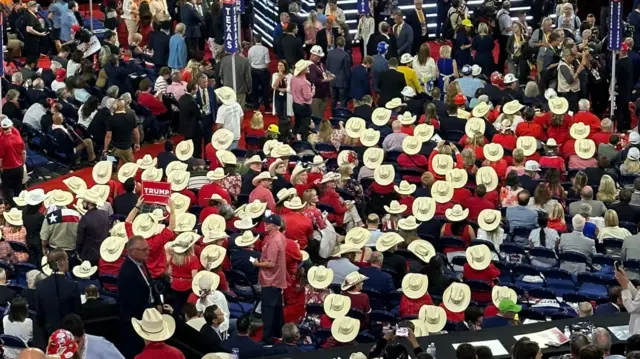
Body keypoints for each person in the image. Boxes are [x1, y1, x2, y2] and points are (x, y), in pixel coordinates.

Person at [117, 236, 164, 358]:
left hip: (149, 313)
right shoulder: (127, 272)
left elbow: (150, 284)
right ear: (132, 251)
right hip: (136, 321)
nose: (147, 252)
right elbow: (132, 302)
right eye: (143, 250)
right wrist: (151, 311)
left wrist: (158, 302)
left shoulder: (141, 264)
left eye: (147, 249)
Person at [253, 215, 287, 344]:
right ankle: (278, 332)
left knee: (268, 309)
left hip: (270, 280)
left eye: (268, 223)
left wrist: (257, 264)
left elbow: (271, 263)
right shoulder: (278, 237)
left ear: (275, 226)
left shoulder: (273, 241)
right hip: (276, 278)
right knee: (277, 308)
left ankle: (267, 338)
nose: (265, 224)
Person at [35, 250, 82, 341]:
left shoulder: (40, 285)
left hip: (49, 335)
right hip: (70, 336)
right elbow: (78, 314)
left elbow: (40, 316)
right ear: (64, 261)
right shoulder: (72, 286)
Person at [76, 188, 110, 265]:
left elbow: (80, 240)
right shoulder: (105, 214)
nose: (82, 203)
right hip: (103, 253)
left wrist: (79, 252)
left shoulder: (85, 218)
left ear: (89, 203)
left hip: (89, 255)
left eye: (84, 201)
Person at [104, 100, 140, 164]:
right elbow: (136, 132)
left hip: (114, 149)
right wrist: (137, 143)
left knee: (113, 167)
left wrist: (105, 150)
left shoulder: (110, 119)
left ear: (114, 107)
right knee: (129, 169)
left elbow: (108, 136)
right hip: (127, 148)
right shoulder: (131, 116)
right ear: (124, 107)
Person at [0, 118, 25, 208]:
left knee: (7, 189)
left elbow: (0, 159)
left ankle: (14, 207)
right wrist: (22, 163)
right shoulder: (18, 137)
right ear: (11, 126)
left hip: (7, 170)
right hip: (19, 167)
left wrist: (1, 168)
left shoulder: (2, 142)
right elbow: (23, 152)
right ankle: (21, 205)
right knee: (18, 187)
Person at [326, 36, 352, 110]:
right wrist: (349, 80)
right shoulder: (346, 55)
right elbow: (347, 70)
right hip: (342, 82)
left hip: (332, 80)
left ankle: (333, 115)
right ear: (344, 44)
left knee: (333, 100)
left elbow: (327, 67)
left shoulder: (330, 53)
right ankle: (341, 116)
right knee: (343, 101)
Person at [248, 34, 271, 111]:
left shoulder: (251, 49)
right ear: (261, 40)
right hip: (263, 70)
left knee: (255, 88)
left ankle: (255, 106)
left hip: (254, 70)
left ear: (254, 40)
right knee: (265, 89)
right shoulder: (265, 49)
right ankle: (267, 107)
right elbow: (267, 62)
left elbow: (249, 61)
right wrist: (268, 71)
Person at [496, 1, 513, 72]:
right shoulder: (505, 16)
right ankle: (502, 69)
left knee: (502, 54)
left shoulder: (499, 14)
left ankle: (500, 69)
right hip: (506, 37)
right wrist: (515, 27)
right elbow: (507, 29)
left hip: (502, 36)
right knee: (505, 54)